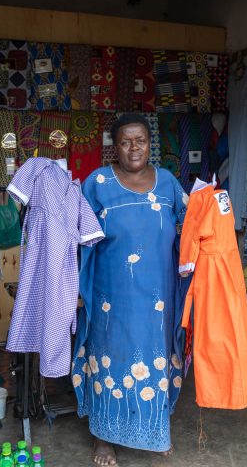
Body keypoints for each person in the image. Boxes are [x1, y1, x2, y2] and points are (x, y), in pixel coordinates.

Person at [72, 113, 189, 466]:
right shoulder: (98, 183)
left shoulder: (168, 182)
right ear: (115, 146)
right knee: (112, 359)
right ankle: (103, 439)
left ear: (150, 143)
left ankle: (155, 430)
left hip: (159, 298)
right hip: (113, 298)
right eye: (126, 141)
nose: (134, 147)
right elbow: (76, 237)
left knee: (155, 359)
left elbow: (190, 227)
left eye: (141, 140)